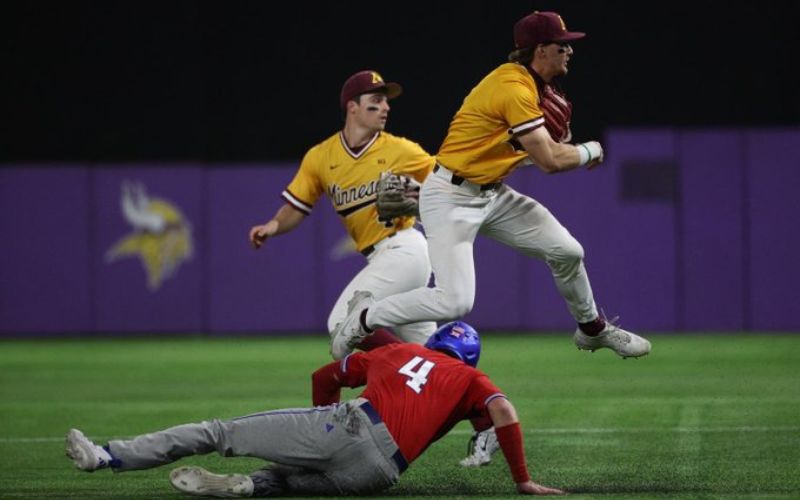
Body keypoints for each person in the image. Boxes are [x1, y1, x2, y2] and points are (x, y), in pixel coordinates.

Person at [330, 11, 652, 467]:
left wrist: (553, 146)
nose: (569, 50)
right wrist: (589, 150)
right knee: (455, 300)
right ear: (539, 50)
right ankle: (365, 315)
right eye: (561, 44)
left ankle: (592, 329)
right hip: (450, 197)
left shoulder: (538, 90)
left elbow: (524, 153)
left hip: (490, 194)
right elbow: (551, 162)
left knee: (567, 251)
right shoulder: (512, 87)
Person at [65, 321, 565, 497]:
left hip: (347, 427)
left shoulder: (399, 351)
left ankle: (107, 456)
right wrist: (522, 480)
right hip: (379, 475)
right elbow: (501, 414)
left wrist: (322, 428)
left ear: (433, 342)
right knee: (282, 481)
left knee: (219, 432)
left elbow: (324, 377)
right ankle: (250, 486)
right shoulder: (472, 380)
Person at [248, 70, 437, 355]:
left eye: (386, 101)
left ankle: (404, 366)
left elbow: (446, 183)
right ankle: (454, 379)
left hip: (405, 249)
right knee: (428, 352)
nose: (386, 107)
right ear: (352, 106)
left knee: (342, 323)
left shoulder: (402, 150)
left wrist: (421, 198)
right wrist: (273, 226)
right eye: (376, 100)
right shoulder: (321, 157)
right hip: (383, 257)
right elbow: (298, 205)